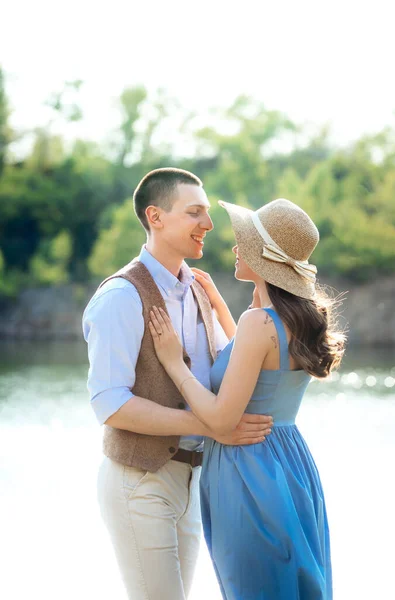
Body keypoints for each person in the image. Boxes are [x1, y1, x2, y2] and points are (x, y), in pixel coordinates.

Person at [82, 168, 273, 600]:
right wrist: (210, 425)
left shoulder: (201, 291)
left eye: (207, 214)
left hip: (194, 480)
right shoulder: (121, 297)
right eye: (195, 213)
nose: (208, 225)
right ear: (156, 217)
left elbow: (229, 368)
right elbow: (109, 404)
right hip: (140, 480)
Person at [149, 197, 346, 600]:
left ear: (266, 258)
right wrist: (221, 305)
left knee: (252, 587)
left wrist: (174, 364)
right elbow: (253, 358)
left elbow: (222, 421)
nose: (236, 246)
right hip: (290, 467)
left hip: (247, 469)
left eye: (246, 241)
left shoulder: (258, 323)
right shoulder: (294, 319)